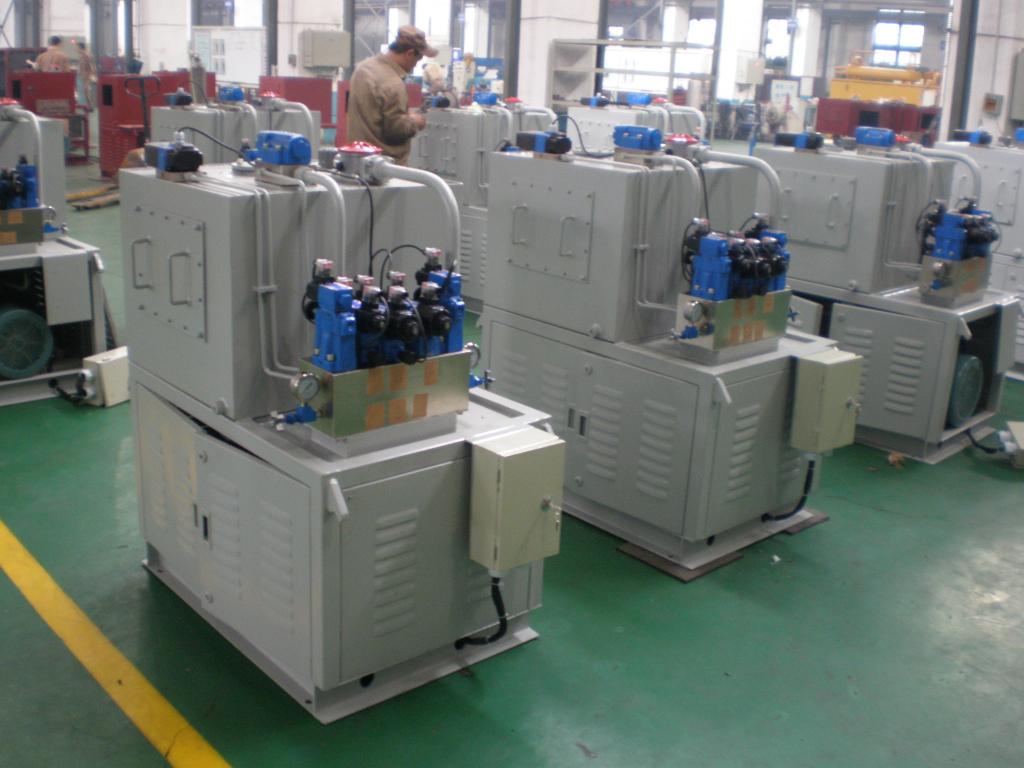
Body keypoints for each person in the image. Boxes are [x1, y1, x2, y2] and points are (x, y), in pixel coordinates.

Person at [347, 25, 436, 165]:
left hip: (356, 159)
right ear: (409, 54)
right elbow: (395, 130)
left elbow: (375, 112)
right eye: (418, 58)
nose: (416, 65)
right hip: (384, 166)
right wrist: (415, 122)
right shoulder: (393, 83)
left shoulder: (363, 68)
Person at [75, 41, 95, 110]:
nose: (76, 49)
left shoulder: (87, 55)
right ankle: (86, 106)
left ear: (80, 48)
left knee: (85, 91)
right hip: (81, 75)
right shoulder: (81, 56)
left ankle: (88, 106)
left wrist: (89, 77)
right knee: (83, 92)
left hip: (85, 76)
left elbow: (91, 67)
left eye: (77, 48)